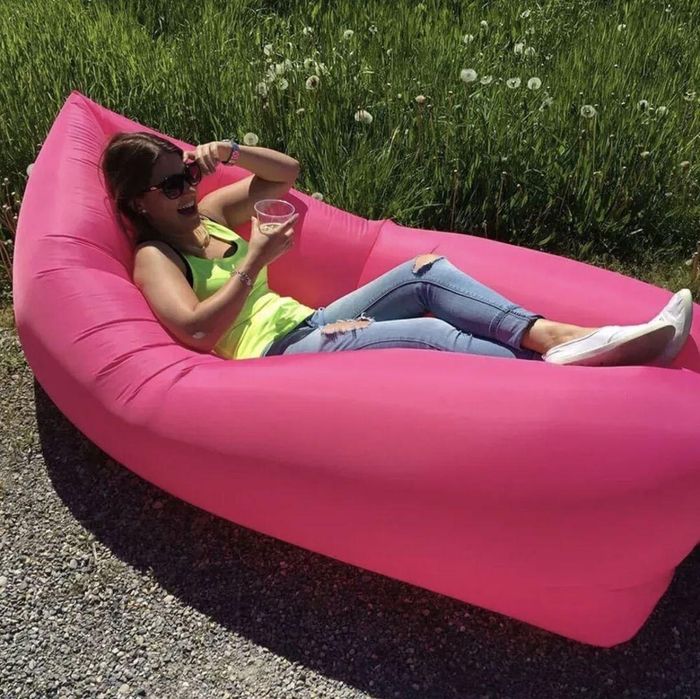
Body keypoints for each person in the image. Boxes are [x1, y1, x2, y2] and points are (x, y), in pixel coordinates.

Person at [100, 132, 693, 366]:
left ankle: (559, 339)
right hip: (273, 352)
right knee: (430, 334)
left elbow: (286, 173)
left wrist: (229, 151)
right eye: (170, 186)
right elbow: (198, 332)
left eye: (186, 175)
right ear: (138, 204)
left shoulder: (211, 213)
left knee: (424, 272)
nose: (187, 190)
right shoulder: (157, 259)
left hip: (306, 322)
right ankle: (565, 372)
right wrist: (254, 260)